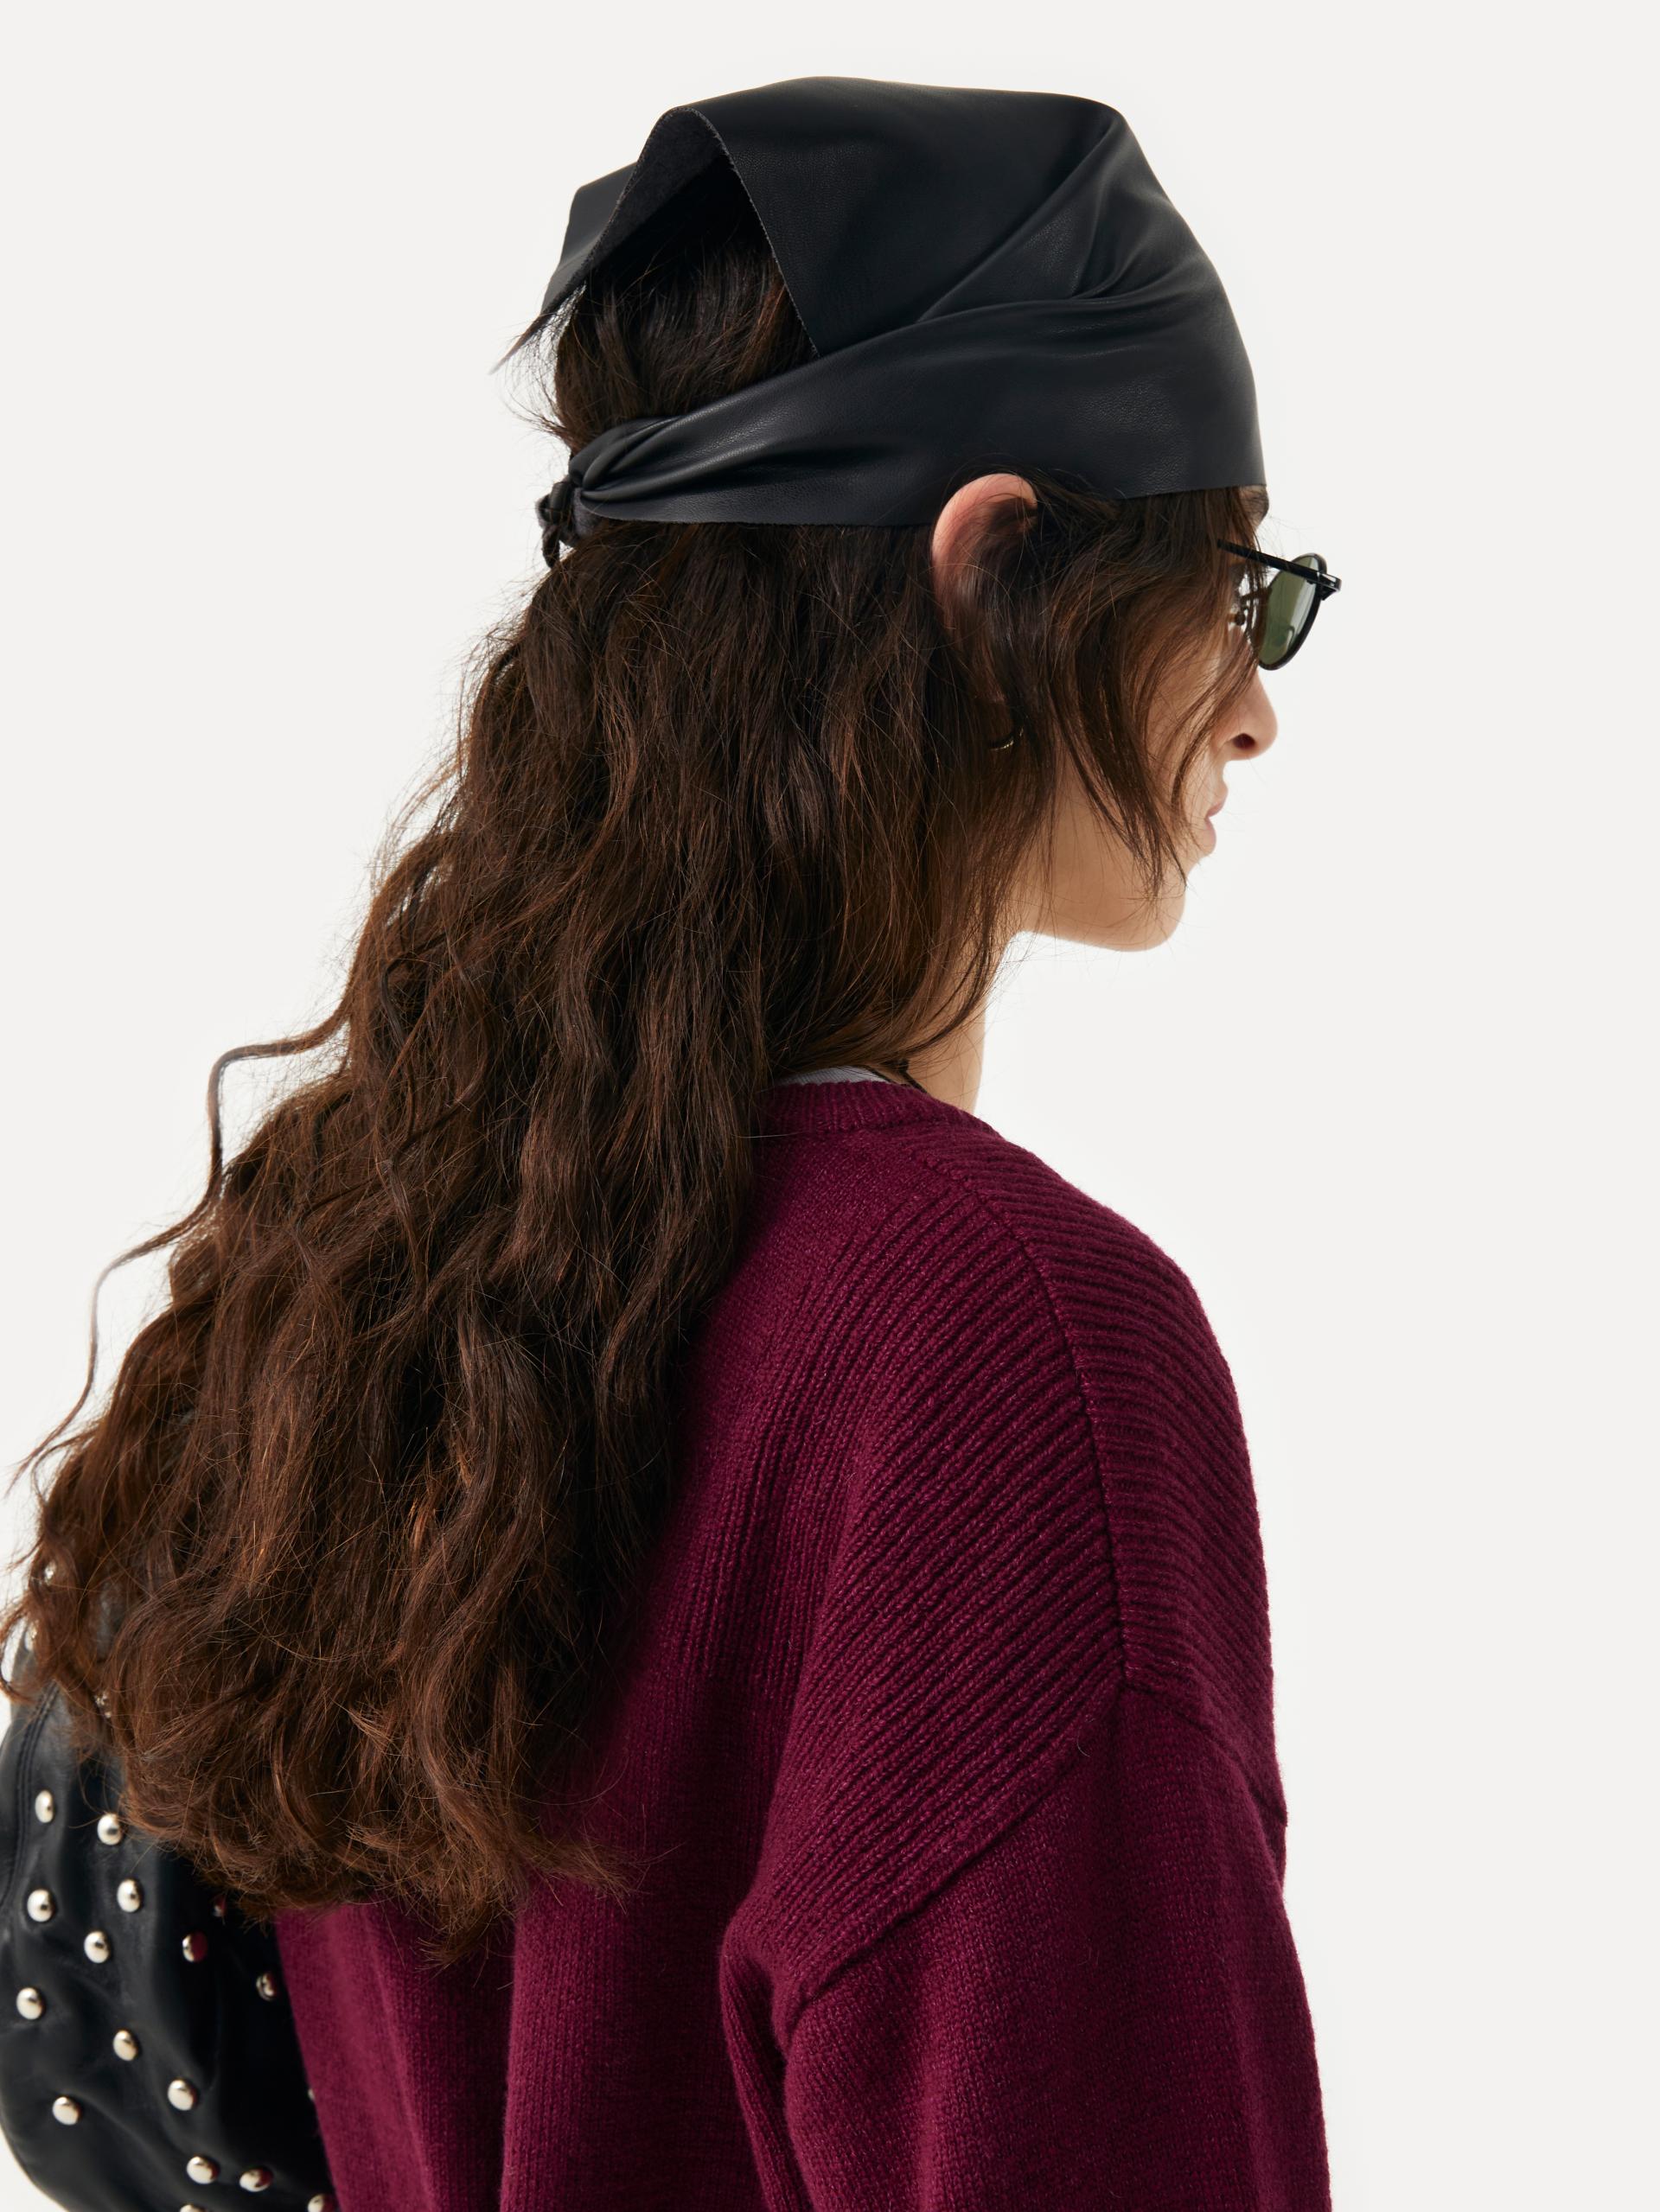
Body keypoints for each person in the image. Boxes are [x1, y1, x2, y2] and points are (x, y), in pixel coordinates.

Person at [2, 81, 1336, 2210]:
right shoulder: (1009, 1349)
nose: (1261, 704)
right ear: (995, 563)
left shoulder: (378, 1262)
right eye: (1237, 585)